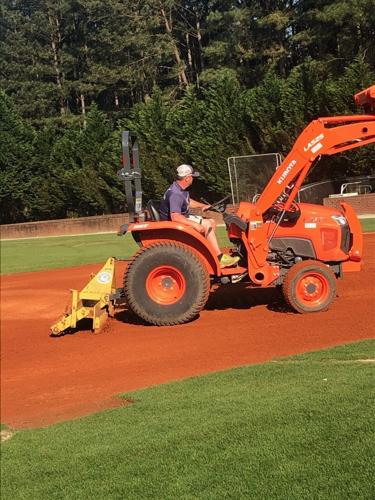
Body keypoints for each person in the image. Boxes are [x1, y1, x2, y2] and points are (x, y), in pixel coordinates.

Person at [159, 164, 240, 268]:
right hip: (173, 223)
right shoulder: (176, 194)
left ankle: (210, 254)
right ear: (187, 178)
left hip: (181, 217)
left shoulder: (179, 189)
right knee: (207, 225)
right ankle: (219, 259)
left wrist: (203, 206)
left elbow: (187, 202)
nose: (193, 179)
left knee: (211, 221)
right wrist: (195, 225)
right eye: (192, 176)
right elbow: (175, 216)